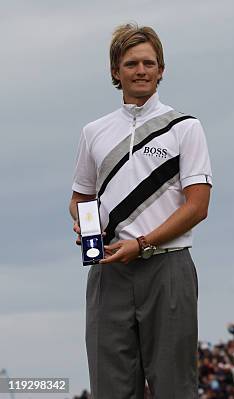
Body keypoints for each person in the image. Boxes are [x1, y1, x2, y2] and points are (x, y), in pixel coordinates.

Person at [69, 23, 212, 398]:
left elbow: (198, 206)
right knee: (110, 387)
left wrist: (144, 243)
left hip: (168, 266)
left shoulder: (185, 127)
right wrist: (87, 230)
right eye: (131, 63)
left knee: (174, 386)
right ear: (116, 71)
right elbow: (81, 197)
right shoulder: (93, 131)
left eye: (149, 62)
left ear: (161, 69)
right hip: (108, 271)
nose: (141, 70)